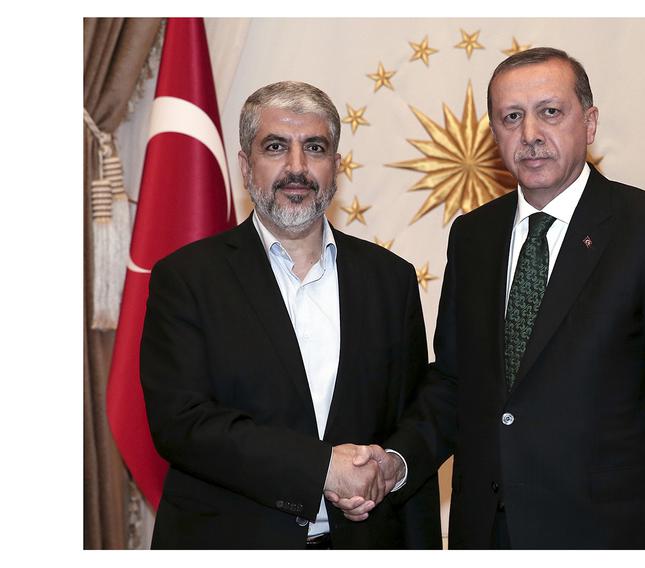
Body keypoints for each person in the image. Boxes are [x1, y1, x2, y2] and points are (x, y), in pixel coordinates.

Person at [330, 47, 645, 549]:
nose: (531, 134)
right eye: (511, 117)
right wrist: (395, 462)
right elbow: (454, 382)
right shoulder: (473, 236)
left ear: (591, 122)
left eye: (550, 112)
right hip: (486, 536)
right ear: (494, 134)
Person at [139, 81, 441, 549]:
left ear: (336, 167)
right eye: (276, 147)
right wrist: (321, 469)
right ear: (245, 166)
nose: (296, 168)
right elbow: (183, 424)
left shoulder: (391, 279)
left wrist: (393, 465)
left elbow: (414, 413)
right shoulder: (186, 278)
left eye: (314, 148)